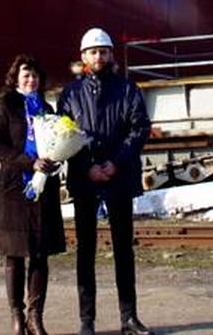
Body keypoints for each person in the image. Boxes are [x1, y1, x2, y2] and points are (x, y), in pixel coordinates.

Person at [58, 28, 154, 335]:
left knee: (124, 249)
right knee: (85, 251)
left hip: (119, 176)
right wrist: (87, 167)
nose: (99, 56)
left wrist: (115, 162)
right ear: (83, 57)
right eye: (93, 52)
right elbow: (63, 135)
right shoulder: (70, 93)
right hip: (86, 179)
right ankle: (87, 321)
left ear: (110, 54)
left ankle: (129, 317)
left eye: (103, 51)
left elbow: (139, 129)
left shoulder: (127, 89)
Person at [0, 55, 66, 335]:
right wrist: (27, 162)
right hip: (15, 190)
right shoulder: (6, 105)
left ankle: (36, 317)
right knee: (14, 254)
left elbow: (56, 144)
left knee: (40, 254)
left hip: (42, 190)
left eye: (34, 75)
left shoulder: (47, 108)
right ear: (15, 77)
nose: (31, 79)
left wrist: (56, 160)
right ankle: (17, 317)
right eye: (26, 74)